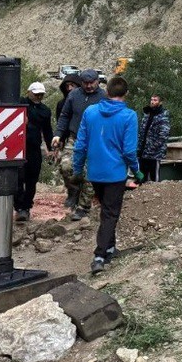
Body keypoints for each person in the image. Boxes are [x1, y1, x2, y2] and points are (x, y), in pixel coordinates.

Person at [72, 76, 142, 274]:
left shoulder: (91, 112)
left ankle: (110, 248)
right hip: (115, 174)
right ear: (125, 93)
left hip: (95, 172)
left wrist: (78, 169)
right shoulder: (129, 116)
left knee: (106, 209)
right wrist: (137, 171)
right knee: (110, 214)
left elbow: (80, 145)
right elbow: (129, 151)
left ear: (107, 92)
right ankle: (99, 256)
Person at [54, 68, 106, 220]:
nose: (89, 86)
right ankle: (73, 190)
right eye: (85, 83)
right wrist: (58, 135)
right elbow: (64, 116)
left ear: (98, 81)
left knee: (90, 174)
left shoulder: (104, 97)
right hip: (74, 138)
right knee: (66, 167)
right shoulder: (73, 95)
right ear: (81, 82)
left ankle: (83, 207)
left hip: (95, 140)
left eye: (92, 83)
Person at [16, 82, 55, 222]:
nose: (38, 96)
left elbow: (47, 131)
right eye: (36, 93)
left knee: (32, 180)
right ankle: (19, 207)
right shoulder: (20, 103)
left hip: (33, 148)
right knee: (18, 178)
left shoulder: (44, 111)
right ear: (29, 92)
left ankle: (26, 207)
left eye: (41, 94)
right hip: (17, 147)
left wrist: (51, 148)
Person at [137, 95, 171, 184]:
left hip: (154, 154)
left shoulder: (163, 117)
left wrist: (152, 148)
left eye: (155, 100)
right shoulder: (147, 114)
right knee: (141, 177)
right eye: (151, 99)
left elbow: (163, 136)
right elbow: (141, 132)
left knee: (154, 180)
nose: (152, 102)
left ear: (160, 102)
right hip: (142, 152)